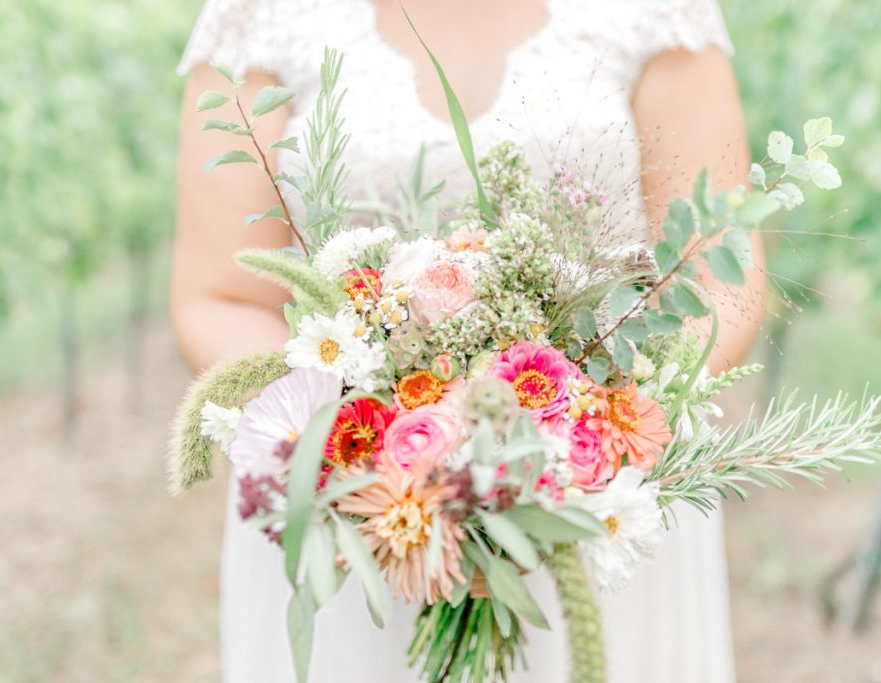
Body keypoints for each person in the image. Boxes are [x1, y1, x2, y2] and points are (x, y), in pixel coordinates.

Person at [171, 1, 766, 680]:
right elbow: (219, 293)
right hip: (361, 522)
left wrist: (581, 442)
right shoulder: (260, 15)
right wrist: (369, 448)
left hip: (601, 515)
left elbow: (722, 271)